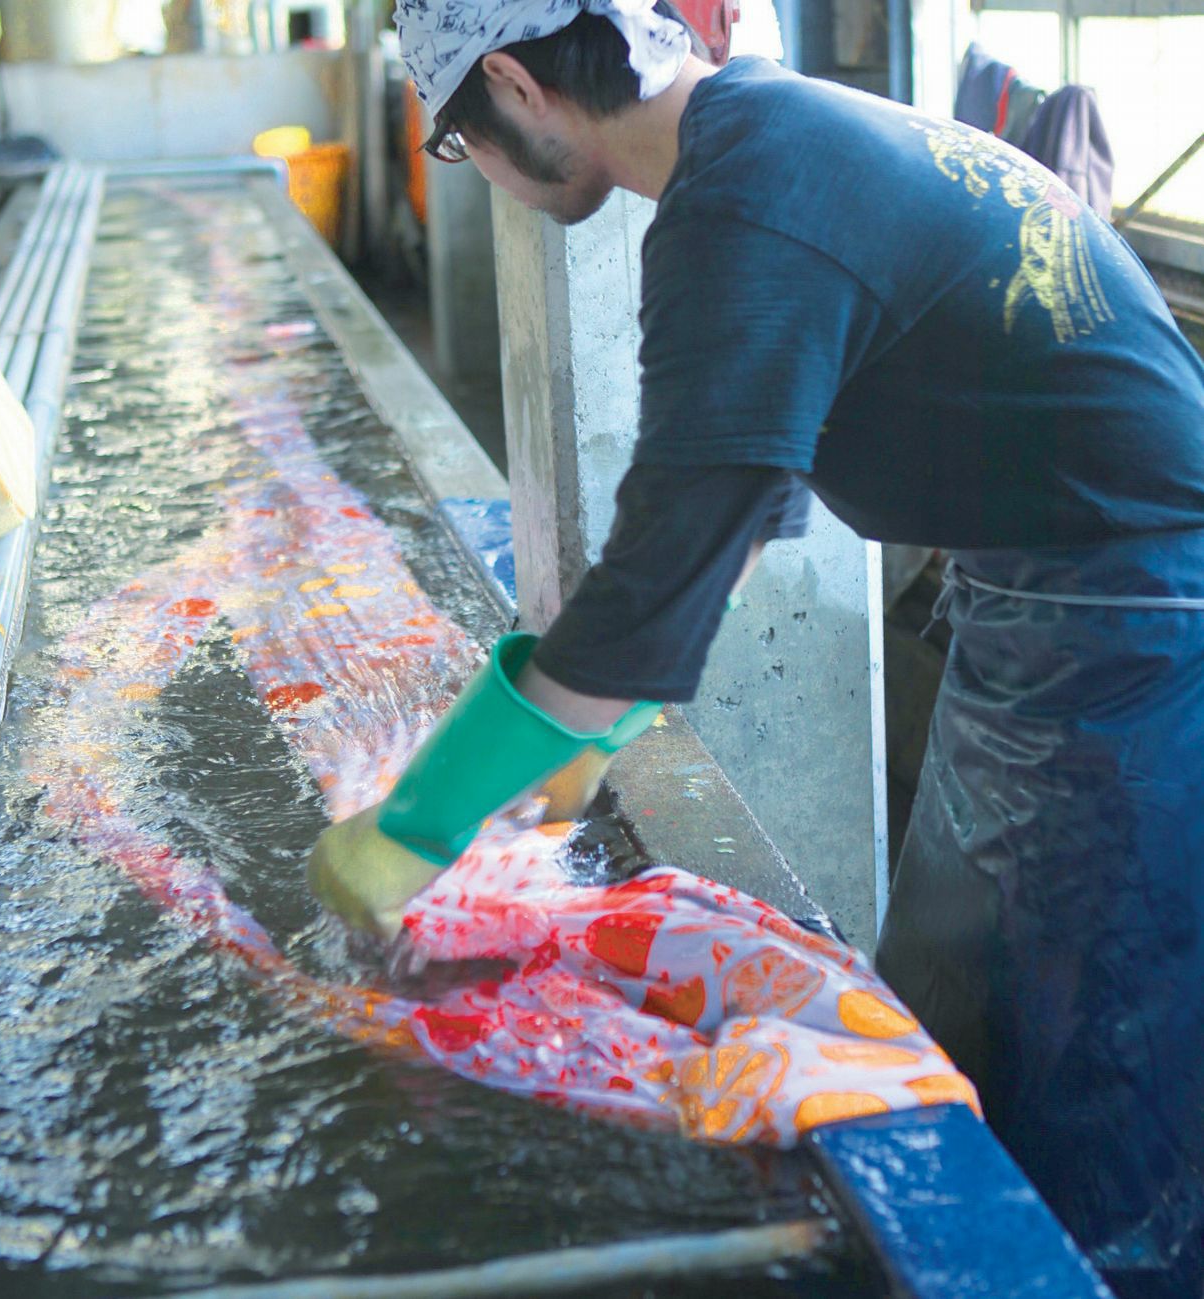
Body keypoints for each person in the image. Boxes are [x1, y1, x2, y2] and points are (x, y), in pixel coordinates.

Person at [307, 3, 1204, 1294]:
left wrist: (419, 827)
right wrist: (583, 736)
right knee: (979, 1009)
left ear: (513, 84)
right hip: (1063, 605)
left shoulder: (748, 201)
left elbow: (681, 546)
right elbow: (716, 531)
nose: (484, 173)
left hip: (1141, 629)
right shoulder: (773, 135)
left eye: (464, 143)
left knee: (1099, 1059)